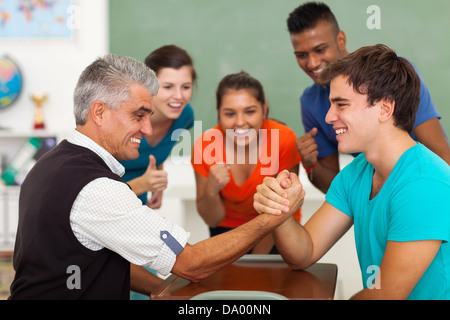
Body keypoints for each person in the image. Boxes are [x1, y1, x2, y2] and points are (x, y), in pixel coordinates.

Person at [8, 54, 302, 300]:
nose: (149, 130)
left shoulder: (50, 164)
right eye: (139, 115)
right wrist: (274, 216)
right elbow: (191, 263)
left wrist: (161, 289)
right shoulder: (96, 187)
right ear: (99, 112)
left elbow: (100, 254)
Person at [253, 44, 450, 300]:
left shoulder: (424, 183)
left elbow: (385, 296)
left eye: (341, 105)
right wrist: (278, 207)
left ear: (384, 108)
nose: (328, 117)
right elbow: (305, 252)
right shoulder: (356, 173)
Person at [287, 2, 450, 193]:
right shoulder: (310, 102)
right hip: (375, 197)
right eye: (301, 55)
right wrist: (311, 164)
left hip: (421, 189)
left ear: (341, 40)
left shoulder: (390, 74)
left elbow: (441, 156)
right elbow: (339, 190)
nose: (312, 63)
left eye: (320, 49)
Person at [191, 71, 301, 254]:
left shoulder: (284, 139)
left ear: (264, 109)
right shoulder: (204, 145)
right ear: (219, 113)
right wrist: (211, 189)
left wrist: (254, 264)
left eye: (250, 111)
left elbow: (281, 211)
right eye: (230, 114)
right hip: (227, 230)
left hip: (277, 228)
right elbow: (212, 220)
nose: (240, 122)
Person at [120, 45, 195, 209]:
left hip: (138, 210)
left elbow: (157, 151)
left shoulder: (184, 116)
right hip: (103, 214)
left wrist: (156, 185)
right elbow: (93, 194)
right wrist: (143, 184)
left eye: (186, 87)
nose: (179, 96)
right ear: (149, 86)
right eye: (168, 87)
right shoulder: (123, 119)